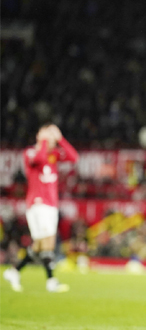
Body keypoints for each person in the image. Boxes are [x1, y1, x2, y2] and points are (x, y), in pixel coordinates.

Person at [3, 124, 78, 292]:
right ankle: (51, 281)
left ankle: (14, 271)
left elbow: (74, 158)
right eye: (47, 135)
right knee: (48, 241)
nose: (50, 139)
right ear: (39, 136)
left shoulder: (53, 154)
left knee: (39, 245)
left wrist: (61, 139)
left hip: (51, 204)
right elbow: (38, 159)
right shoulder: (30, 152)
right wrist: (44, 142)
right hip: (38, 203)